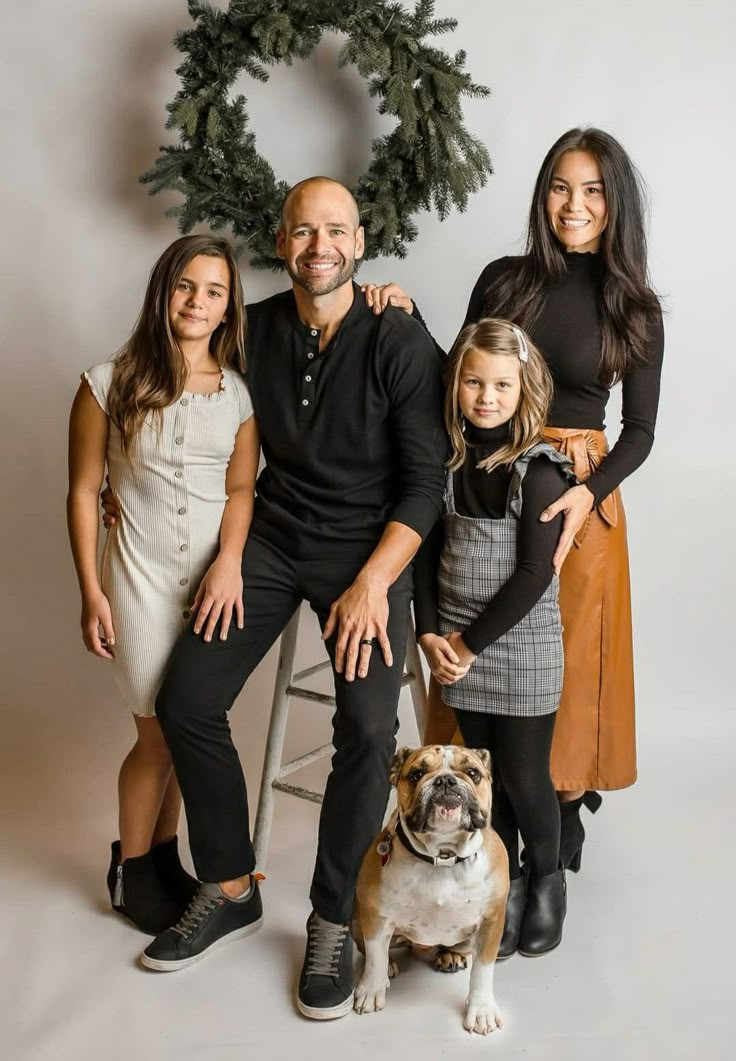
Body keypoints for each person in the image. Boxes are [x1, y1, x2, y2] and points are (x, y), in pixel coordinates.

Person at [102, 179, 446, 1019]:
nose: (317, 245)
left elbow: (426, 485)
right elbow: (169, 364)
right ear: (282, 242)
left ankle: (333, 915)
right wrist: (122, 482)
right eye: (302, 231)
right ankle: (229, 882)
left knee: (368, 726)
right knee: (184, 702)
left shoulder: (399, 338)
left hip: (368, 552)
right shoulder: (254, 325)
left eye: (334, 231)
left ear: (360, 241)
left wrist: (374, 582)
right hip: (269, 539)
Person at [363, 127, 664, 871]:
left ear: (615, 202)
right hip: (488, 474)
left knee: (563, 663)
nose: (575, 203)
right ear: (543, 194)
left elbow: (642, 430)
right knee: (477, 634)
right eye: (562, 186)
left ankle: (558, 820)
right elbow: (462, 374)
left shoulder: (634, 303)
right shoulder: (506, 279)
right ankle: (473, 820)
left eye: (593, 190)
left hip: (578, 495)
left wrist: (586, 494)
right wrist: (408, 318)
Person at [67, 235, 259, 934]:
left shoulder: (237, 392)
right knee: (154, 735)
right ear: (162, 291)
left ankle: (165, 858)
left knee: (187, 727)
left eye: (213, 291)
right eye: (185, 286)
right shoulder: (107, 382)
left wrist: (231, 562)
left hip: (210, 586)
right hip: (140, 578)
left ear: (227, 305)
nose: (198, 302)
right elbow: (85, 489)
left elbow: (241, 489)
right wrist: (91, 589)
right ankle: (131, 868)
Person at [414, 317, 574, 957]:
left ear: (523, 387)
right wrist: (431, 634)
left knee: (525, 776)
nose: (486, 397)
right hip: (456, 646)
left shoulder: (537, 470)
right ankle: (498, 886)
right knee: (484, 779)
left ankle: (547, 879)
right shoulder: (447, 464)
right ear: (457, 384)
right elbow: (424, 553)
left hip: (519, 643)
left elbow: (535, 574)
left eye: (501, 385)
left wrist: (469, 645)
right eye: (474, 383)